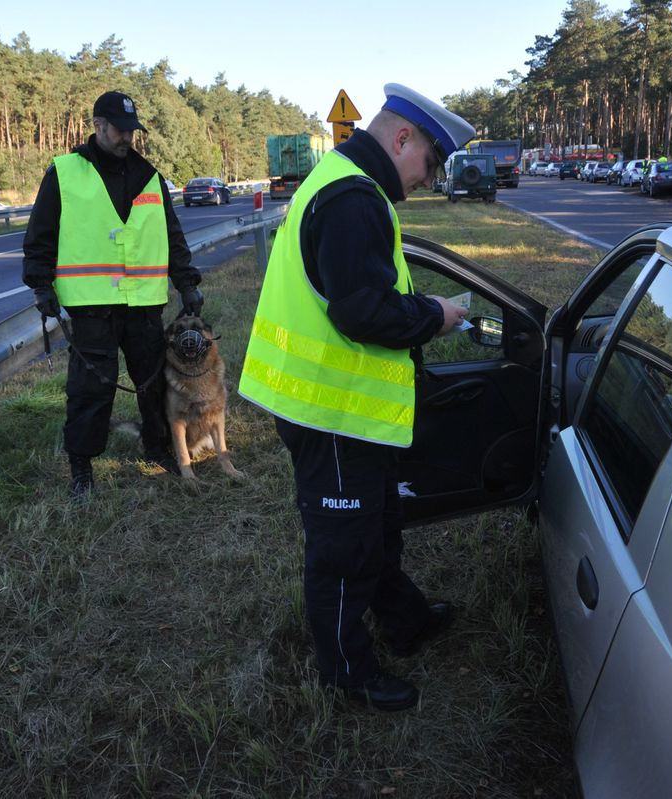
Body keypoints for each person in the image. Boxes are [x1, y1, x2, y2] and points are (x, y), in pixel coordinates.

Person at [238, 83, 474, 712]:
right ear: (402, 139)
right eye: (431, 161)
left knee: (376, 525)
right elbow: (360, 310)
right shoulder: (352, 198)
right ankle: (346, 674)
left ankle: (405, 621)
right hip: (330, 410)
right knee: (344, 548)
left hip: (343, 408)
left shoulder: (346, 184)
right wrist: (434, 315)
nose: (429, 179)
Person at [23, 90, 202, 499]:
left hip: (143, 304)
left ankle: (160, 449)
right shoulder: (65, 173)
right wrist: (40, 284)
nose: (127, 138)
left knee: (154, 384)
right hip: (91, 307)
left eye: (131, 131)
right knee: (90, 391)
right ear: (98, 126)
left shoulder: (150, 176)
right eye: (120, 131)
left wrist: (187, 283)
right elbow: (41, 235)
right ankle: (82, 468)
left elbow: (171, 236)